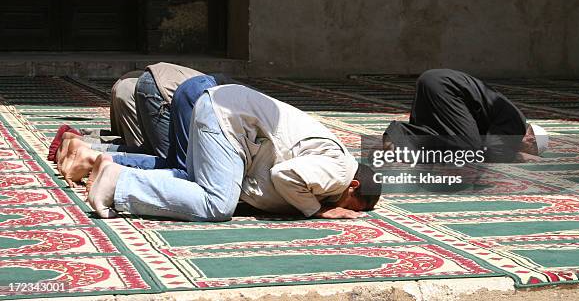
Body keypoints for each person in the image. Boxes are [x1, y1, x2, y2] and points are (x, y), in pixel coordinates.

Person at [84, 84, 381, 221]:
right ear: (353, 187)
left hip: (218, 109)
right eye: (356, 206)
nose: (350, 211)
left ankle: (120, 174)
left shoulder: (335, 156)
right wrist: (319, 210)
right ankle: (120, 183)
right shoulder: (341, 170)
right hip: (229, 121)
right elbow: (285, 175)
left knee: (194, 184)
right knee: (217, 205)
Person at [53, 64, 234, 186]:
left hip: (138, 83)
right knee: (172, 167)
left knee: (146, 149)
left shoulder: (243, 95)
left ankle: (83, 143)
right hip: (158, 91)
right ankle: (92, 156)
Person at [383, 69, 549, 163]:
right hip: (445, 89)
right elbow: (491, 150)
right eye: (532, 150)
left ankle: (398, 136)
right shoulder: (517, 124)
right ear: (531, 140)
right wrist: (519, 157)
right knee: (469, 148)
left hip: (435, 81)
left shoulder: (512, 117)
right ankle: (401, 135)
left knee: (445, 136)